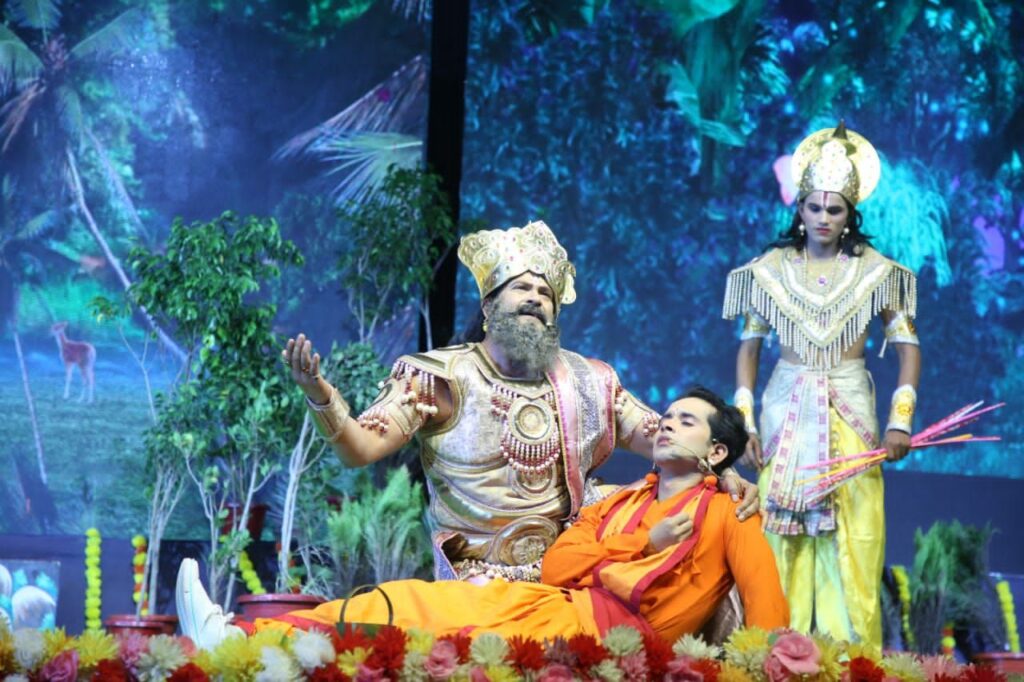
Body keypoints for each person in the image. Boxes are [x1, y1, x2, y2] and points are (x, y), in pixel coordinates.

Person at [283, 220, 758, 583]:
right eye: (520, 288)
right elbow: (360, 449)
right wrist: (319, 393)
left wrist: (722, 473)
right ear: (489, 306)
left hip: (569, 573)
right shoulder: (439, 378)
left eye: (544, 293)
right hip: (474, 580)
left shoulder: (589, 380)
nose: (534, 298)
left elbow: (668, 442)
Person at [175, 387, 789, 648]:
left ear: (716, 452)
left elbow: (767, 615)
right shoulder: (622, 502)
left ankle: (246, 639)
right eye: (668, 415)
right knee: (408, 601)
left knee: (421, 621)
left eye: (685, 421)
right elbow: (560, 564)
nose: (666, 424)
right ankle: (244, 637)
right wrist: (642, 543)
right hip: (557, 607)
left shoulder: (730, 511)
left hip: (609, 638)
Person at [722, 122, 921, 647]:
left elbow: (909, 348)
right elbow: (749, 349)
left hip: (849, 409)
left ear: (850, 213)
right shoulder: (769, 271)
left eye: (835, 209)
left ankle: (848, 658)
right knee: (777, 530)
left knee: (853, 530)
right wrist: (743, 424)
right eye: (815, 207)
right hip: (784, 412)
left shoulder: (877, 272)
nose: (824, 217)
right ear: (800, 209)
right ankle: (771, 650)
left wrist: (901, 421)